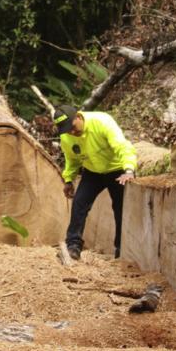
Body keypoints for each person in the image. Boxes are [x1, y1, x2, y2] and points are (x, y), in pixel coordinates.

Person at [54, 104, 137, 260]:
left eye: (72, 127)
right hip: (92, 171)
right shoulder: (66, 136)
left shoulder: (102, 122)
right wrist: (68, 180)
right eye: (66, 130)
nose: (71, 132)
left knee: (120, 209)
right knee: (79, 202)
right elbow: (71, 160)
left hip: (117, 170)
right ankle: (73, 245)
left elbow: (122, 146)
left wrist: (128, 169)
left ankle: (121, 250)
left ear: (78, 116)